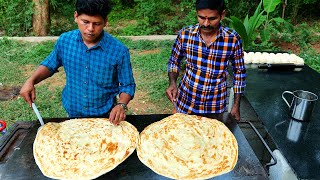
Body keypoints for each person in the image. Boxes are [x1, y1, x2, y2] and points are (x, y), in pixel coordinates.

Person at [20, 0, 135, 125]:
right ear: (76, 16)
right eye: (85, 22)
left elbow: (127, 85)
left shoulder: (119, 51)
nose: (90, 29)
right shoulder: (65, 41)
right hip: (72, 112)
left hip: (105, 115)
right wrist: (31, 80)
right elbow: (50, 64)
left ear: (105, 22)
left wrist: (122, 104)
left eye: (97, 24)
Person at [165, 0, 246, 121]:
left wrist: (236, 105)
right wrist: (172, 83)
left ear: (222, 15)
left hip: (215, 105)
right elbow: (174, 61)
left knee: (211, 137)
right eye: (201, 18)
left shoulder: (232, 39)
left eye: (212, 19)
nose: (206, 23)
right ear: (197, 14)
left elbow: (239, 72)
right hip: (185, 101)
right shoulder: (185, 35)